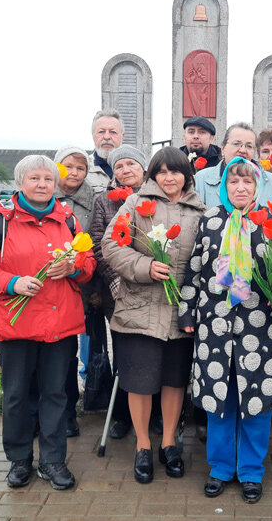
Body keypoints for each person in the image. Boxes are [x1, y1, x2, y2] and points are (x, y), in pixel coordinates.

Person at [179, 157, 272, 504]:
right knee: (219, 401)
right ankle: (221, 468)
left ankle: (251, 471)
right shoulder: (210, 221)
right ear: (223, 185)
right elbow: (194, 270)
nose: (240, 188)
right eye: (233, 182)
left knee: (256, 402)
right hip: (216, 328)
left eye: (247, 183)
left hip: (263, 329)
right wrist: (186, 311)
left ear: (258, 187)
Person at [0, 155, 96, 491]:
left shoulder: (66, 220)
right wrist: (13, 283)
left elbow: (88, 262)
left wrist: (74, 268)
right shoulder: (0, 221)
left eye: (48, 179)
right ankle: (20, 459)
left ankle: (52, 461)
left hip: (59, 323)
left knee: (55, 395)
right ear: (20, 182)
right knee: (17, 395)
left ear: (56, 184)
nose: (42, 185)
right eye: (35, 179)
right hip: (15, 323)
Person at [101, 146, 206, 484]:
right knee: (140, 381)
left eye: (175, 171)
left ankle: (170, 442)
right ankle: (143, 446)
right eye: (162, 172)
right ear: (153, 176)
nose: (169, 178)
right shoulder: (135, 205)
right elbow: (111, 245)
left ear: (186, 176)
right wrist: (145, 266)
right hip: (139, 308)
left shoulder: (201, 211)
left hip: (181, 310)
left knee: (175, 380)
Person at [90, 144, 150, 440]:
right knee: (125, 353)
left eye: (131, 164)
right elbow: (98, 243)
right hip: (119, 292)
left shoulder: (155, 195)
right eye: (120, 166)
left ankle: (156, 415)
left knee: (153, 352)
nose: (126, 170)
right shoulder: (103, 202)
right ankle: (124, 415)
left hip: (153, 287)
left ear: (143, 167)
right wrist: (116, 280)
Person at [51, 146, 95, 438]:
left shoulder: (92, 201)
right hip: (42, 284)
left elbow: (92, 243)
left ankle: (68, 412)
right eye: (68, 167)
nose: (74, 173)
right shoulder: (43, 193)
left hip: (76, 282)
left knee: (67, 352)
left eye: (81, 168)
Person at [194, 122, 272, 207]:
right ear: (223, 149)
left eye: (249, 146)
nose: (243, 150)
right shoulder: (200, 181)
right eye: (236, 144)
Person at [85, 109, 125, 195]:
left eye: (113, 132)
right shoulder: (82, 170)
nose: (107, 137)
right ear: (93, 135)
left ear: (122, 136)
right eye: (101, 132)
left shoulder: (136, 171)